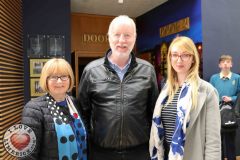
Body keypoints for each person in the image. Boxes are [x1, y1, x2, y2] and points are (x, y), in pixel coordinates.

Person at [78, 15, 159, 160]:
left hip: (139, 153)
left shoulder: (148, 70)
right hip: (101, 153)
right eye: (117, 35)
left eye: (127, 35)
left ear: (134, 38)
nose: (122, 40)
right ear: (109, 37)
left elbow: (153, 111)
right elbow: (83, 113)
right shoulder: (91, 71)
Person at [149, 36, 221, 160]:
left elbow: (213, 141)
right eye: (175, 55)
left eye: (185, 55)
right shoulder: (166, 90)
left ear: (193, 58)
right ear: (170, 58)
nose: (179, 60)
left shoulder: (207, 91)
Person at [21, 58, 87, 160]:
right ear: (45, 80)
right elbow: (27, 153)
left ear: (70, 79)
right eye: (53, 77)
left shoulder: (75, 103)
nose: (59, 81)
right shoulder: (33, 109)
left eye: (64, 76)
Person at [210, 54, 240, 160]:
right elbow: (210, 95)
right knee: (218, 142)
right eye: (223, 62)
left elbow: (239, 96)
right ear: (219, 65)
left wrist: (231, 98)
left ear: (231, 64)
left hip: (231, 114)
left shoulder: (237, 78)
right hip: (216, 114)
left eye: (228, 61)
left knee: (230, 142)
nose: (225, 64)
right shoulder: (214, 78)